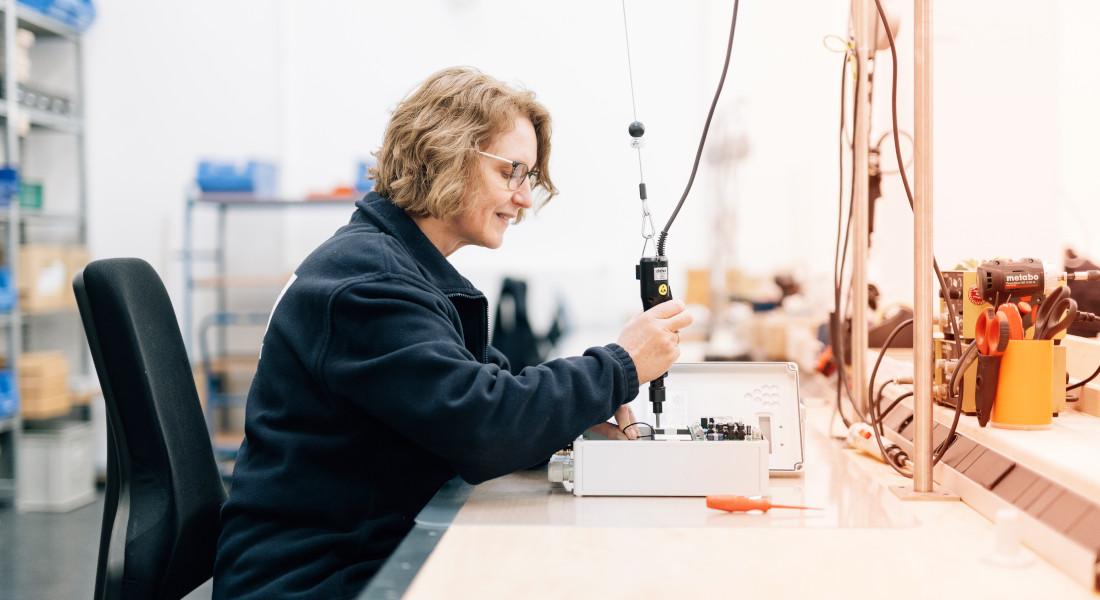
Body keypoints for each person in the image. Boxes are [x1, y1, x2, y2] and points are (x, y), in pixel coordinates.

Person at [212, 66, 691, 599]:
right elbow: (483, 427)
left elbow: (494, 393)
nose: (524, 198)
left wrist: (571, 423)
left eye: (527, 177)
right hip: (316, 581)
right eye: (512, 172)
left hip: (364, 553)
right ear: (447, 153)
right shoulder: (367, 286)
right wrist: (622, 365)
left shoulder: (400, 268)